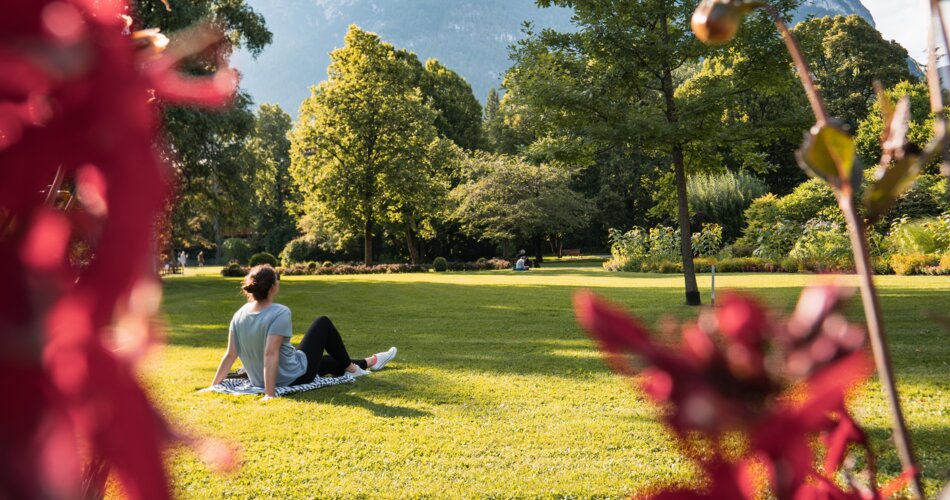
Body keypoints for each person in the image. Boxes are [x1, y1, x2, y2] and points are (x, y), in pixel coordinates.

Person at [209, 264, 397, 400]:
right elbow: (270, 353)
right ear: (273, 286)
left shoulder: (239, 314)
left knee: (323, 362)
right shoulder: (279, 312)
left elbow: (230, 354)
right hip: (292, 377)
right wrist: (269, 393)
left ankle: (371, 361)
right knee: (323, 323)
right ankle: (353, 369)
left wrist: (214, 385)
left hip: (265, 376)